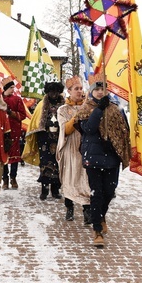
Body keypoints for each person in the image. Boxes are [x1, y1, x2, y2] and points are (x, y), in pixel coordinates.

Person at [74, 73, 131, 248]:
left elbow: (124, 130)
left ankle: (101, 215)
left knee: (109, 191)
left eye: (102, 89)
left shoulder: (115, 108)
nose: (100, 92)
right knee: (96, 193)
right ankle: (97, 229)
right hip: (93, 157)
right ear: (91, 92)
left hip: (112, 157)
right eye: (96, 89)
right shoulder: (85, 109)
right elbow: (89, 129)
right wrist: (99, 110)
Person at [57, 76, 91, 222]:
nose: (79, 91)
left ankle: (87, 211)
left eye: (81, 88)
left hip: (85, 146)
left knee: (85, 178)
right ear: (69, 91)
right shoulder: (63, 109)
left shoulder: (89, 106)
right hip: (70, 145)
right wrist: (79, 113)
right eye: (76, 89)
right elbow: (67, 129)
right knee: (70, 178)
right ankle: (69, 207)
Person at [23, 81, 65, 200]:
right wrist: (45, 125)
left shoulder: (63, 105)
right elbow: (36, 121)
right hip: (45, 138)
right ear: (47, 92)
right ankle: (44, 189)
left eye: (56, 92)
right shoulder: (42, 104)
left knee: (58, 163)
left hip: (59, 138)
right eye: (51, 91)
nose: (54, 94)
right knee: (45, 163)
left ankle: (56, 189)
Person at [0, 78, 28, 190]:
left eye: (13, 87)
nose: (13, 89)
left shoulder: (17, 99)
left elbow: (22, 115)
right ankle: (5, 179)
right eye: (11, 87)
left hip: (14, 131)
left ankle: (13, 177)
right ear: (6, 88)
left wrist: (11, 113)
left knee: (15, 156)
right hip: (2, 131)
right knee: (4, 156)